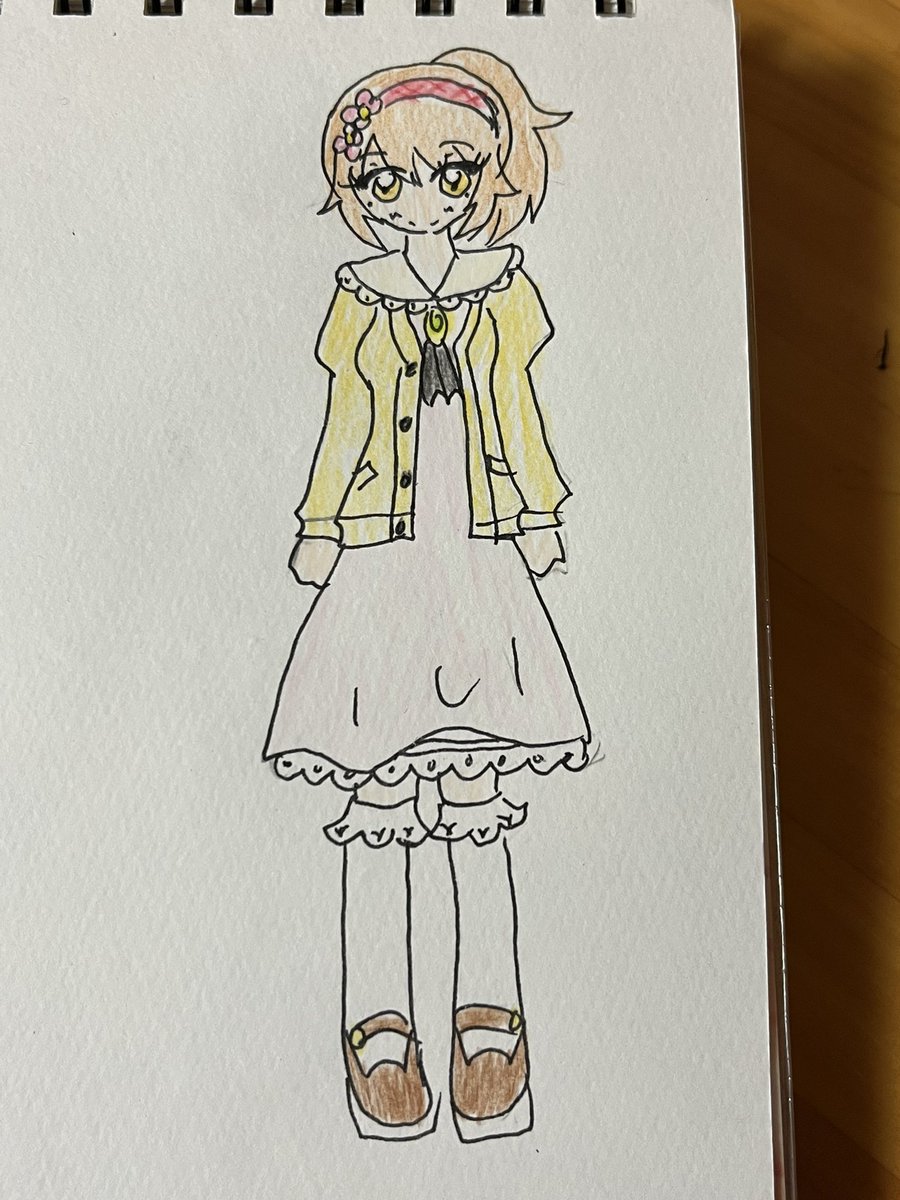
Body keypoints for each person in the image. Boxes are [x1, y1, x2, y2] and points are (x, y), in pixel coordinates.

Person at [264, 47, 592, 1143]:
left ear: (492, 175)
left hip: (477, 555)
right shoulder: (359, 302)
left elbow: (520, 411)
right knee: (378, 806)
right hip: (381, 559)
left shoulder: (504, 293)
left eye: (451, 175)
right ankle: (380, 1024)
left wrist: (539, 508)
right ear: (358, 188)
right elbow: (345, 424)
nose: (422, 201)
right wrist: (319, 525)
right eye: (389, 180)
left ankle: (488, 1017)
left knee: (474, 801)